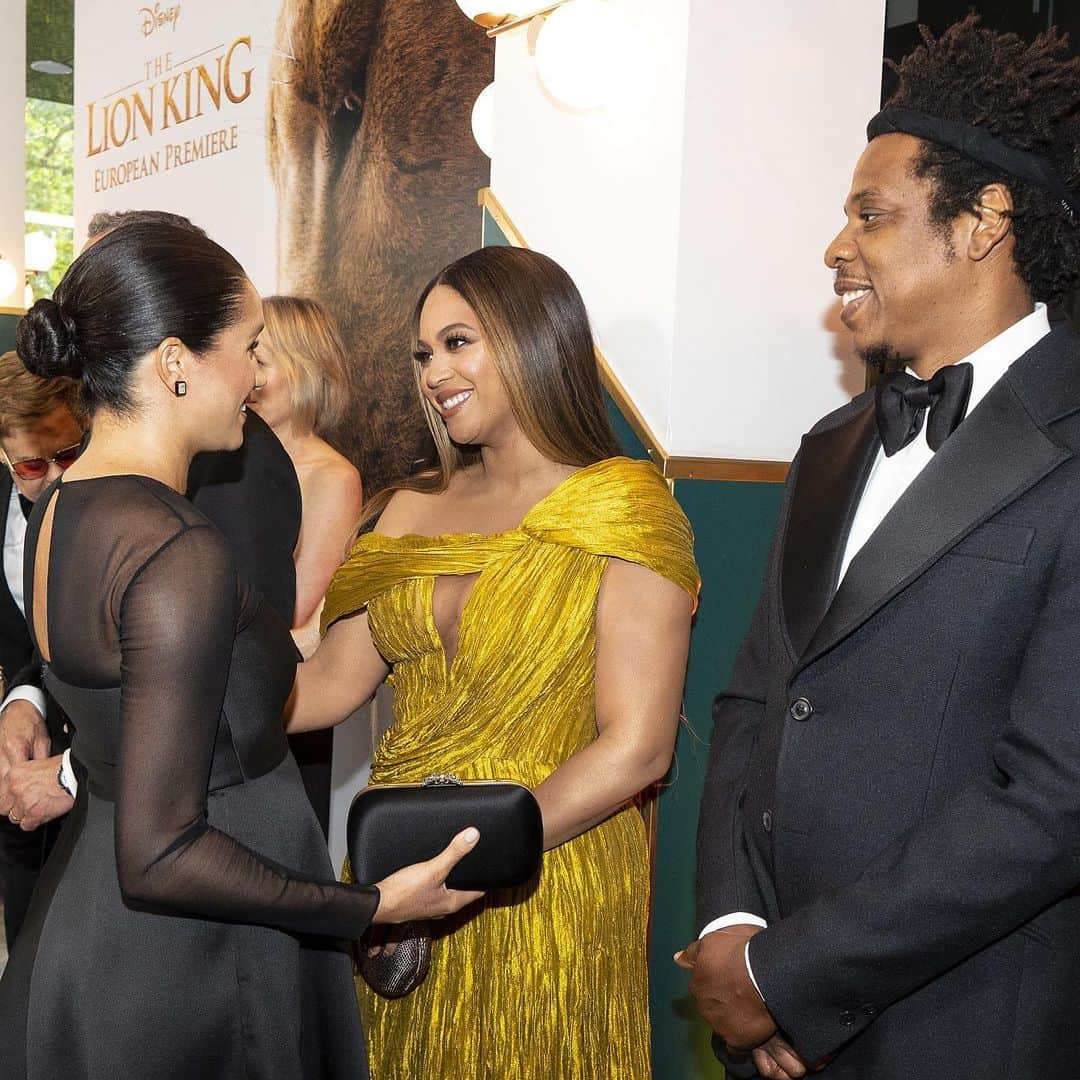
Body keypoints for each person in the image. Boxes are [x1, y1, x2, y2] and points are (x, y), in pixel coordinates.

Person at [683, 17, 1080, 1080]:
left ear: (985, 222)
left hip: (968, 1024)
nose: (836, 245)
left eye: (873, 214)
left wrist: (791, 977)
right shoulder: (827, 448)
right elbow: (753, 704)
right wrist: (732, 932)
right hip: (778, 1026)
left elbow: (1053, 800)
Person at [0, 222, 484, 1079]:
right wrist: (367, 905)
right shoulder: (174, 548)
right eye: (249, 346)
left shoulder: (59, 511)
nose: (259, 375)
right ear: (176, 362)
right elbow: (162, 850)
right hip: (198, 966)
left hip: (95, 928)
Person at [286, 246, 701, 1078]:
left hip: (550, 871)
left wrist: (470, 861)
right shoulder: (409, 508)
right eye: (423, 353)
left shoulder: (623, 504)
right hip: (397, 876)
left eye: (458, 342)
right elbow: (326, 686)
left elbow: (639, 746)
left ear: (532, 339)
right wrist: (162, 671)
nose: (435, 371)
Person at [0, 354, 83, 948]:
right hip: (17, 763)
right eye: (32, 464)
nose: (53, 475)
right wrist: (14, 703)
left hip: (101, 770)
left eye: (68, 454)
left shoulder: (114, 504)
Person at [248, 294, 363, 633]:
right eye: (244, 357)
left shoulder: (333, 479)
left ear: (305, 371)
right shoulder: (220, 460)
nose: (246, 378)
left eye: (260, 361)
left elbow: (293, 610)